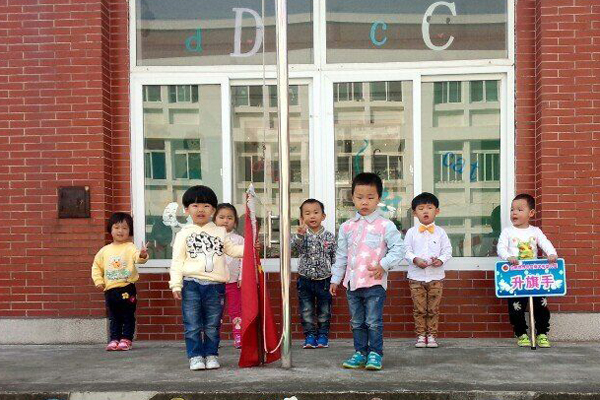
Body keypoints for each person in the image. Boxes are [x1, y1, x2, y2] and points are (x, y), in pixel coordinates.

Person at [329, 172, 405, 370]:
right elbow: (341, 255)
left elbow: (399, 249)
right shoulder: (346, 227)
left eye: (370, 197)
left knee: (373, 322)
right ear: (352, 198)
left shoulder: (385, 225)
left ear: (379, 198)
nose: (364, 202)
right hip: (352, 284)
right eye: (360, 197)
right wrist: (335, 279)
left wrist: (384, 265)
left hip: (374, 283)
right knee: (357, 322)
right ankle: (360, 353)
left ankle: (375, 354)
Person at [169, 186, 244, 370]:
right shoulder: (183, 234)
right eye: (195, 206)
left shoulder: (220, 232)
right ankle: (195, 356)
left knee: (212, 324)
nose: (200, 210)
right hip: (191, 284)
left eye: (206, 206)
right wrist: (176, 285)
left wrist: (250, 247)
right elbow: (177, 261)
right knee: (192, 324)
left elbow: (233, 250)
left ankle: (211, 354)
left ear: (213, 210)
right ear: (187, 210)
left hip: (215, 286)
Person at [497, 193, 558, 348]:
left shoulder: (535, 231)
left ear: (531, 213)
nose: (514, 213)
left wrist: (551, 254)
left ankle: (542, 333)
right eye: (512, 210)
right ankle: (521, 333)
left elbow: (545, 243)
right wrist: (508, 257)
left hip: (534, 276)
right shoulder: (507, 232)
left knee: (540, 305)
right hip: (515, 276)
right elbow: (501, 248)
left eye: (519, 209)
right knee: (515, 306)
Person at [92, 212, 149, 351]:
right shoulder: (104, 251)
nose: (120, 231)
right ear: (110, 230)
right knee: (114, 316)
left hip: (127, 287)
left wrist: (142, 255)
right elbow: (96, 266)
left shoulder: (131, 247)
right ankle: (114, 339)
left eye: (124, 228)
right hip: (110, 290)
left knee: (128, 315)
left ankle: (126, 339)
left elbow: (138, 258)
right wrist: (98, 280)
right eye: (116, 227)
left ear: (130, 231)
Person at [404, 192, 452, 349]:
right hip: (416, 278)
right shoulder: (411, 232)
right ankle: (420, 336)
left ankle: (431, 336)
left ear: (437, 211)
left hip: (436, 277)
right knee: (419, 309)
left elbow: (447, 250)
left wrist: (441, 260)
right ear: (414, 213)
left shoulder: (441, 232)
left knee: (433, 309)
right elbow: (406, 251)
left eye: (429, 208)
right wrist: (415, 260)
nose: (425, 211)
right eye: (421, 208)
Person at [293, 199, 336, 349]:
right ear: (302, 218)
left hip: (325, 280)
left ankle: (323, 336)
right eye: (307, 213)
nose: (312, 216)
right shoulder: (301, 235)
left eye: (316, 212)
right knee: (306, 310)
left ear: (323, 216)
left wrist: (335, 278)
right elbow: (293, 248)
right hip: (305, 279)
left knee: (325, 310)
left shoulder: (329, 236)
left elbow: (335, 257)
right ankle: (310, 336)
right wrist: (299, 235)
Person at [213, 203, 244, 349]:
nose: (225, 221)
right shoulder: (211, 238)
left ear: (235, 221)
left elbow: (243, 260)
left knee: (236, 311)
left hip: (233, 283)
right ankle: (212, 338)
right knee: (214, 312)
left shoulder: (239, 240)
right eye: (222, 217)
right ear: (214, 219)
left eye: (230, 218)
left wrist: (241, 277)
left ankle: (238, 336)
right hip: (214, 283)